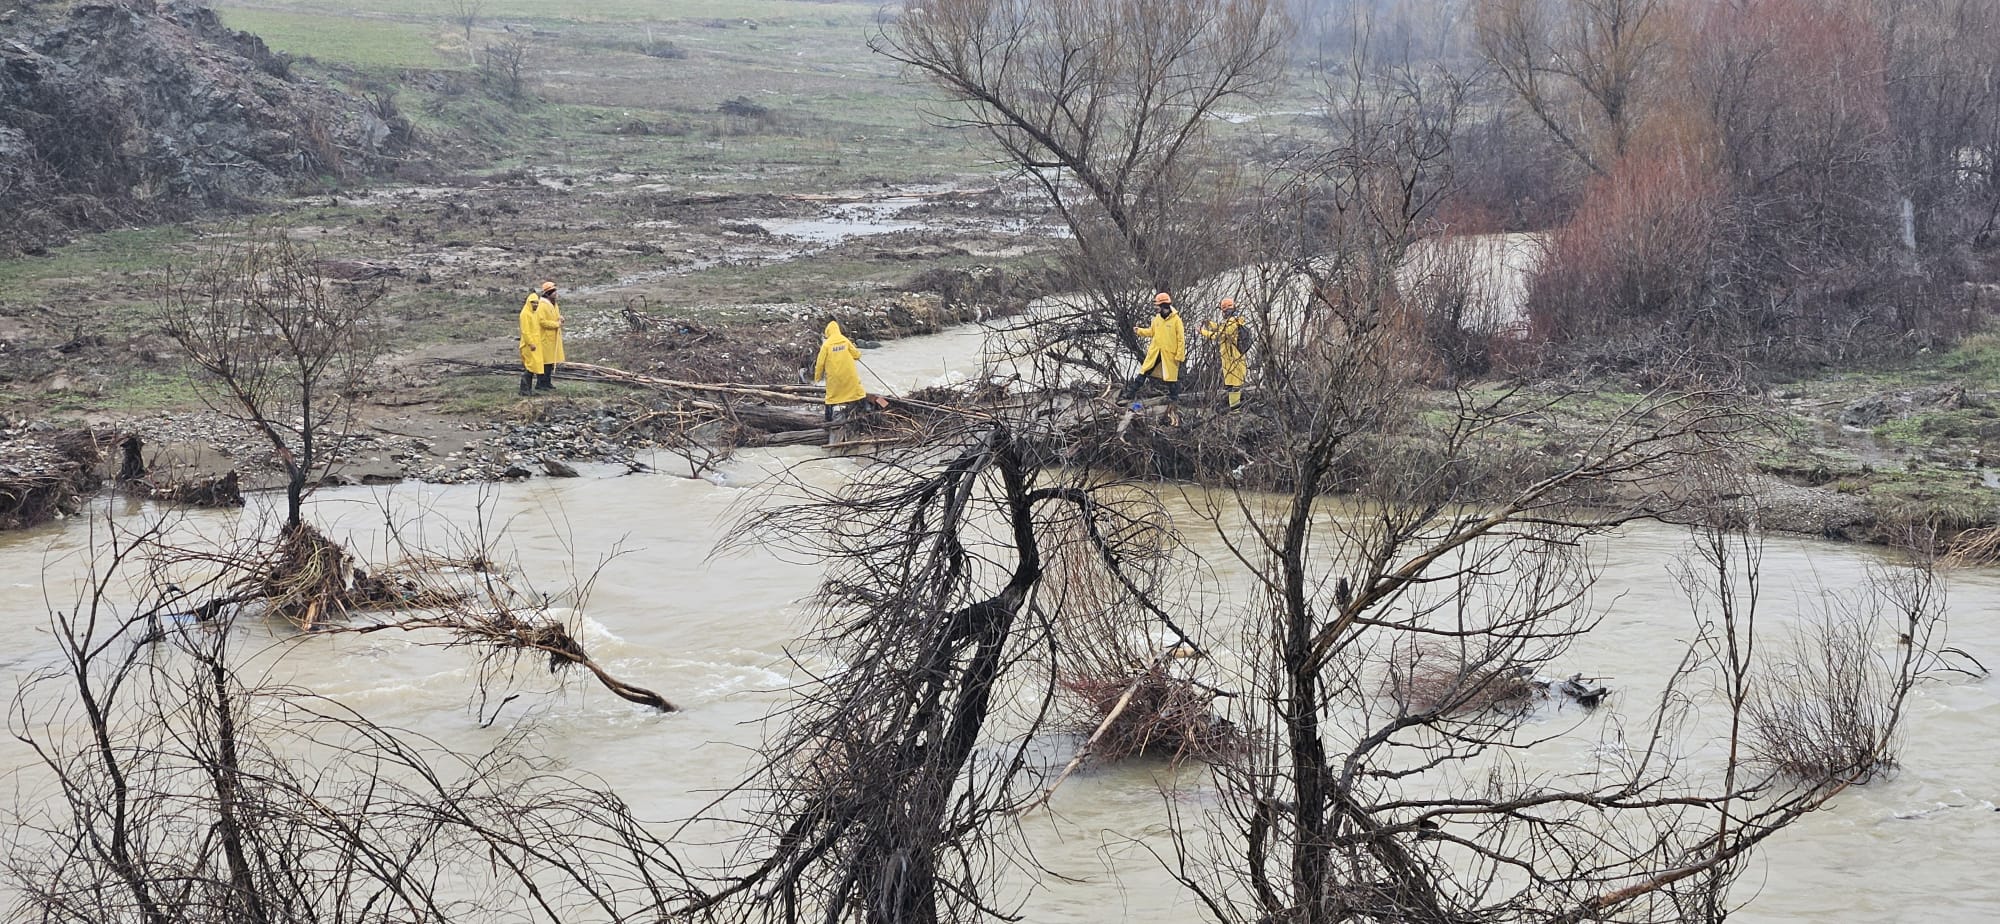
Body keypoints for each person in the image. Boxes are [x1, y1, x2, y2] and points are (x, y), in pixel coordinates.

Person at [1120, 291, 1186, 403]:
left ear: (1163, 305)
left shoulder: (1176, 320)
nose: (1155, 307)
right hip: (1156, 352)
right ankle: (1130, 394)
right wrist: (1139, 331)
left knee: (1171, 378)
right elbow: (1152, 332)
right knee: (1144, 371)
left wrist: (1179, 355)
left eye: (1157, 305)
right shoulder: (1157, 319)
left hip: (1169, 354)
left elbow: (1181, 339)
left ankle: (1174, 400)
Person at [814, 319, 867, 423]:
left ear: (828, 332)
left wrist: (817, 378)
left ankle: (828, 420)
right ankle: (864, 412)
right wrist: (858, 355)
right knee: (858, 392)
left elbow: (820, 364)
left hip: (834, 379)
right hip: (850, 377)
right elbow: (856, 354)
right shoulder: (845, 340)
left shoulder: (826, 345)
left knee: (831, 398)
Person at [1200, 297, 1248, 408]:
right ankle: (1234, 407)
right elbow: (1221, 328)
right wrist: (1210, 324)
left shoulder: (1231, 322)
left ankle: (1235, 409)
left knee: (1234, 385)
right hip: (1232, 358)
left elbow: (1219, 336)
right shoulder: (1233, 320)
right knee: (1232, 385)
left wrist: (1202, 332)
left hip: (1233, 358)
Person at [523, 280, 564, 392]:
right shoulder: (542, 305)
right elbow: (542, 321)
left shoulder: (553, 303)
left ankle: (547, 382)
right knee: (545, 362)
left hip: (552, 338)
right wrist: (556, 324)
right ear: (549, 293)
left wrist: (559, 318)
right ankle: (541, 383)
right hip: (545, 338)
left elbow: (554, 316)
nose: (556, 294)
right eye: (554, 292)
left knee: (550, 363)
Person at [517, 284, 547, 396]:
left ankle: (528, 389)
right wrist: (530, 343)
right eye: (533, 302)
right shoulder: (525, 314)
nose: (535, 305)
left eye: (537, 303)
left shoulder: (534, 314)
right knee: (529, 367)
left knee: (533, 367)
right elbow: (525, 331)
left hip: (535, 344)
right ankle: (524, 390)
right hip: (529, 345)